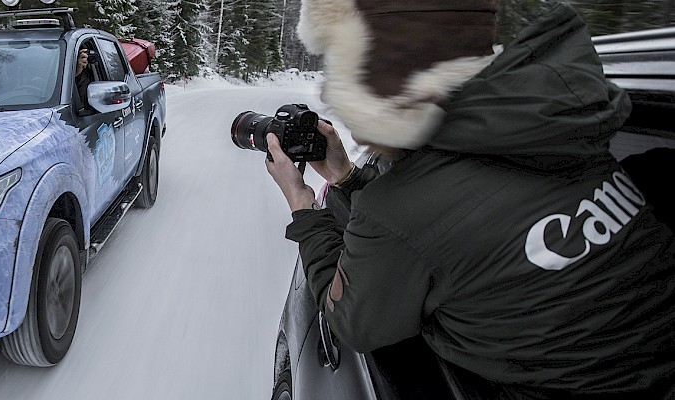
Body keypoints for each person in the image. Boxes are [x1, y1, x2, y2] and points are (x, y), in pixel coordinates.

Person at [266, 1, 675, 399]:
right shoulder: (565, 125)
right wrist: (347, 176)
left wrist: (303, 206)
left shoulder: (398, 208)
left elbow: (352, 324)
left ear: (374, 75)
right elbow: (445, 219)